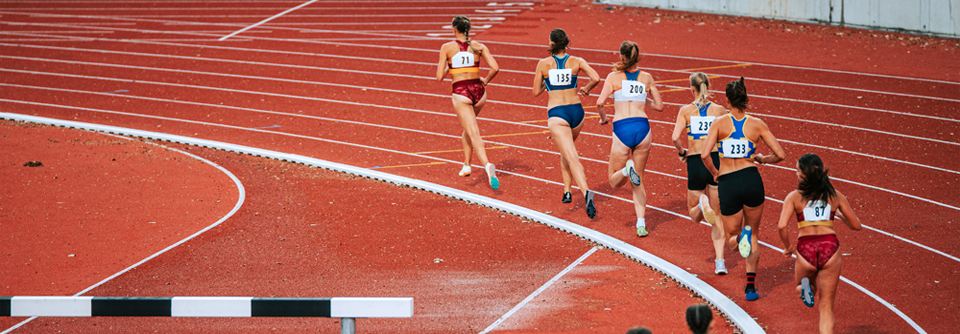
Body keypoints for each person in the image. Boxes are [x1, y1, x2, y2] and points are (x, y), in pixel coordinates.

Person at [701, 77, 785, 301]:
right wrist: (762, 159)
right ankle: (750, 287)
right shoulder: (757, 124)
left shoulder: (719, 123)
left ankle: (740, 240)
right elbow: (781, 154)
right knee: (754, 233)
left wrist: (716, 173)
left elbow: (704, 154)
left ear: (727, 100)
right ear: (745, 98)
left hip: (728, 182)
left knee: (731, 239)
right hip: (751, 180)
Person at [777, 153, 862, 334]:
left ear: (802, 175)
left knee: (804, 285)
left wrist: (787, 246)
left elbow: (782, 226)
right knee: (826, 307)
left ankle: (804, 288)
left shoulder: (793, 197)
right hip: (829, 246)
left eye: (797, 171)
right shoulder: (835, 195)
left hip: (806, 247)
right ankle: (808, 289)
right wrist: (838, 215)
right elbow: (856, 226)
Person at [596, 41, 663, 236]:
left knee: (614, 181)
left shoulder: (613, 77)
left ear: (622, 56)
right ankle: (641, 224)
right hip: (643, 129)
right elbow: (659, 107)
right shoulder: (646, 77)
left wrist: (604, 118)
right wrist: (645, 99)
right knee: (639, 181)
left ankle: (627, 169)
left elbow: (600, 103)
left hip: (622, 129)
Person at [532, 28, 601, 218]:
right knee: (566, 150)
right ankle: (567, 190)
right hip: (577, 113)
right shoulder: (577, 61)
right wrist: (586, 88)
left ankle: (586, 191)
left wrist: (549, 84)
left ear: (552, 44)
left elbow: (536, 92)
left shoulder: (543, 64)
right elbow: (596, 77)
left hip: (558, 113)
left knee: (571, 156)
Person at [670, 72, 728, 274]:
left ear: (691, 89)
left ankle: (702, 205)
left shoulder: (685, 111)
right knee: (718, 216)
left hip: (695, 161)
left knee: (694, 215)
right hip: (715, 161)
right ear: (708, 87)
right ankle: (720, 262)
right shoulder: (719, 110)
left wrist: (682, 152)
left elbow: (675, 137)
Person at [436, 15, 500, 189]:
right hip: (479, 92)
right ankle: (466, 165)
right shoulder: (479, 46)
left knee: (473, 133)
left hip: (461, 92)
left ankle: (487, 165)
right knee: (467, 129)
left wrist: (452, 65)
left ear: (454, 29)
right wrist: (485, 80)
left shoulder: (447, 47)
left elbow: (439, 76)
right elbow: (495, 68)